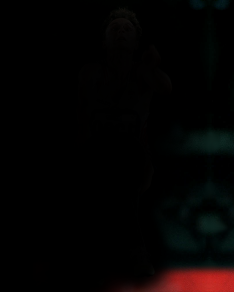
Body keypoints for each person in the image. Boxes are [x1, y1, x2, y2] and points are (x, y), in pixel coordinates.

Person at [76, 7, 171, 288]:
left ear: (136, 40)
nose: (120, 33)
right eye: (115, 29)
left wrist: (149, 68)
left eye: (126, 30)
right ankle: (117, 252)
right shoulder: (89, 73)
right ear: (104, 40)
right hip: (96, 151)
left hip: (134, 157)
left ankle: (126, 252)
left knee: (123, 163)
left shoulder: (144, 75)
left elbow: (166, 88)